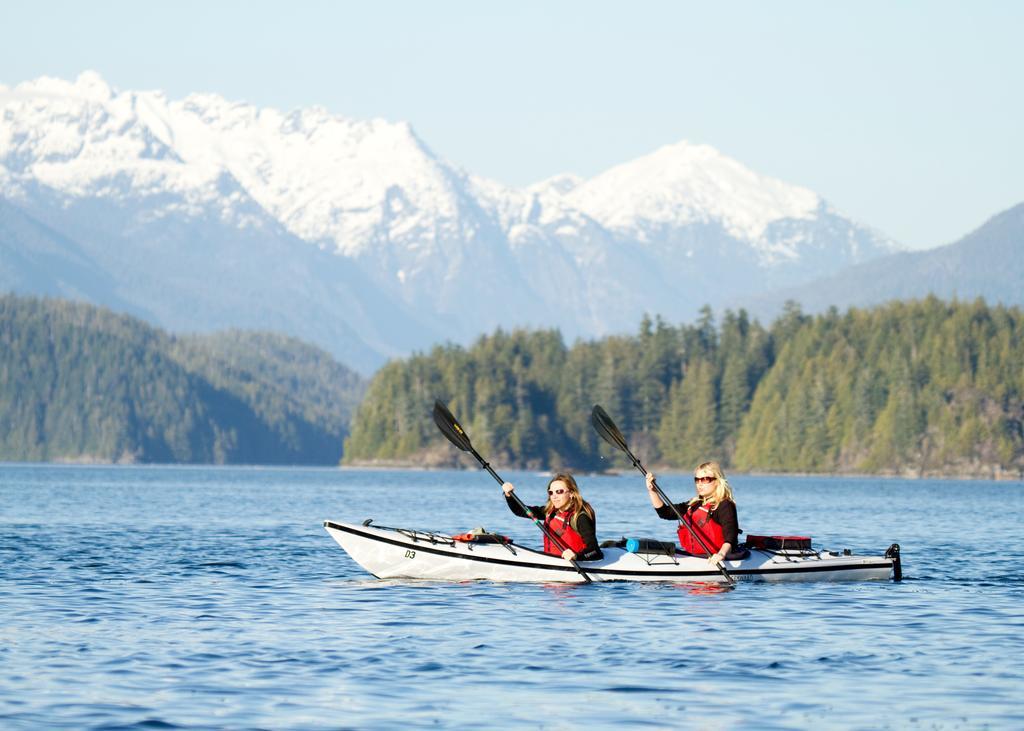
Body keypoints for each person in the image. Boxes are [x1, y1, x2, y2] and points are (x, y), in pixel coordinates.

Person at [645, 461, 739, 567]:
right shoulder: (694, 504)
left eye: (705, 479)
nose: (699, 484)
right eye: (697, 480)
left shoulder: (724, 505)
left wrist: (721, 554)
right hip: (695, 556)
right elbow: (665, 513)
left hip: (719, 556)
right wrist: (653, 491)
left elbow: (731, 537)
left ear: (717, 481)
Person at [502, 473, 603, 561]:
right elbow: (520, 511)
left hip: (576, 567)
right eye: (551, 492)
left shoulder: (580, 517)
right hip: (553, 563)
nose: (554, 496)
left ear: (571, 493)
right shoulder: (549, 512)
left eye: (559, 492)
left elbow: (595, 551)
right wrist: (509, 495)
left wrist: (577, 556)